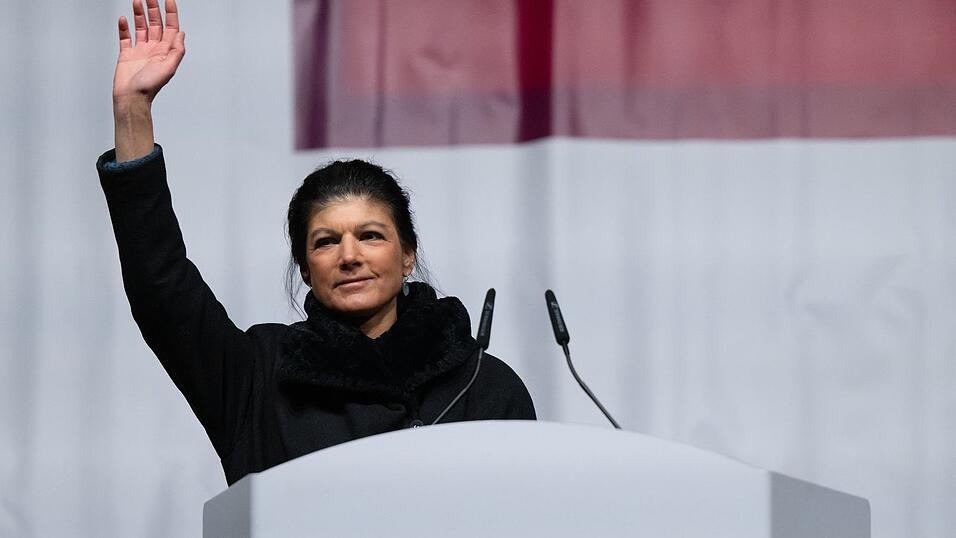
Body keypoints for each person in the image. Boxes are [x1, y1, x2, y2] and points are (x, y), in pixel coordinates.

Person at [97, 0, 535, 485]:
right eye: (326, 242)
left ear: (407, 254)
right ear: (305, 267)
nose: (350, 257)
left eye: (370, 236)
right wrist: (132, 110)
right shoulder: (260, 376)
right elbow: (162, 289)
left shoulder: (483, 384)